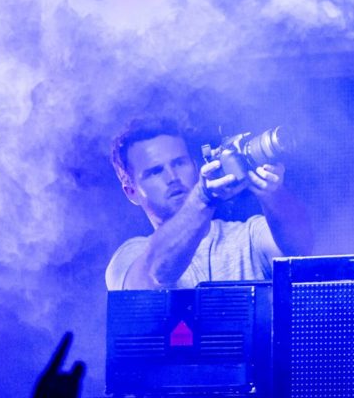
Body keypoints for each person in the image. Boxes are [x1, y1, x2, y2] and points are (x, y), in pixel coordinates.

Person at [106, 117, 314, 289]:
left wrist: (274, 194)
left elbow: (300, 248)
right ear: (131, 192)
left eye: (179, 163)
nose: (172, 177)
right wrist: (202, 197)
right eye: (155, 172)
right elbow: (153, 276)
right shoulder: (129, 256)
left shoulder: (248, 235)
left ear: (195, 167)